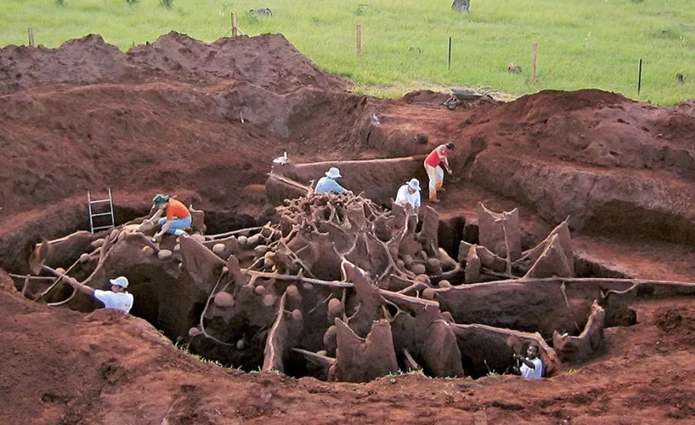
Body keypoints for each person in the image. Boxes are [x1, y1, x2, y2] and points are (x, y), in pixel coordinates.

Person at [64, 276, 134, 314]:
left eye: (115, 285)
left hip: (111, 319)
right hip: (123, 319)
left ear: (121, 288)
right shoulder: (130, 297)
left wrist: (77, 284)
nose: (112, 286)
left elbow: (91, 292)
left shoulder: (110, 296)